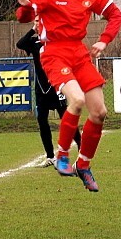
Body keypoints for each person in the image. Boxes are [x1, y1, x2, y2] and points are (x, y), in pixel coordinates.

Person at [16, 0, 121, 192]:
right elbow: (25, 15)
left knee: (99, 111)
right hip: (54, 52)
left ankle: (83, 164)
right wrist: (24, 7)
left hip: (79, 53)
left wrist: (104, 40)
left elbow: (115, 14)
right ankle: (62, 155)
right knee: (76, 100)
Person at [16, 18, 81, 167]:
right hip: (41, 89)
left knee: (67, 119)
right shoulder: (34, 43)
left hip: (56, 86)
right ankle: (50, 156)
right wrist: (33, 29)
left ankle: (81, 146)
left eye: (40, 21)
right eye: (36, 21)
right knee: (42, 122)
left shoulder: (54, 40)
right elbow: (20, 44)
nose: (38, 23)